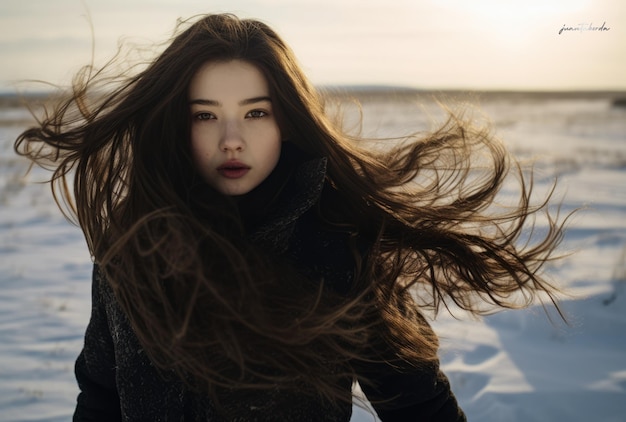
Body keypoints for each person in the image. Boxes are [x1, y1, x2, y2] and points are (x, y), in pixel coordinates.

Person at [14, 13, 568, 421]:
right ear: (176, 125)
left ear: (288, 121)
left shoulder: (338, 243)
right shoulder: (129, 247)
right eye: (205, 116)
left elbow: (419, 406)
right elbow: (101, 396)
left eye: (256, 113)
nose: (232, 140)